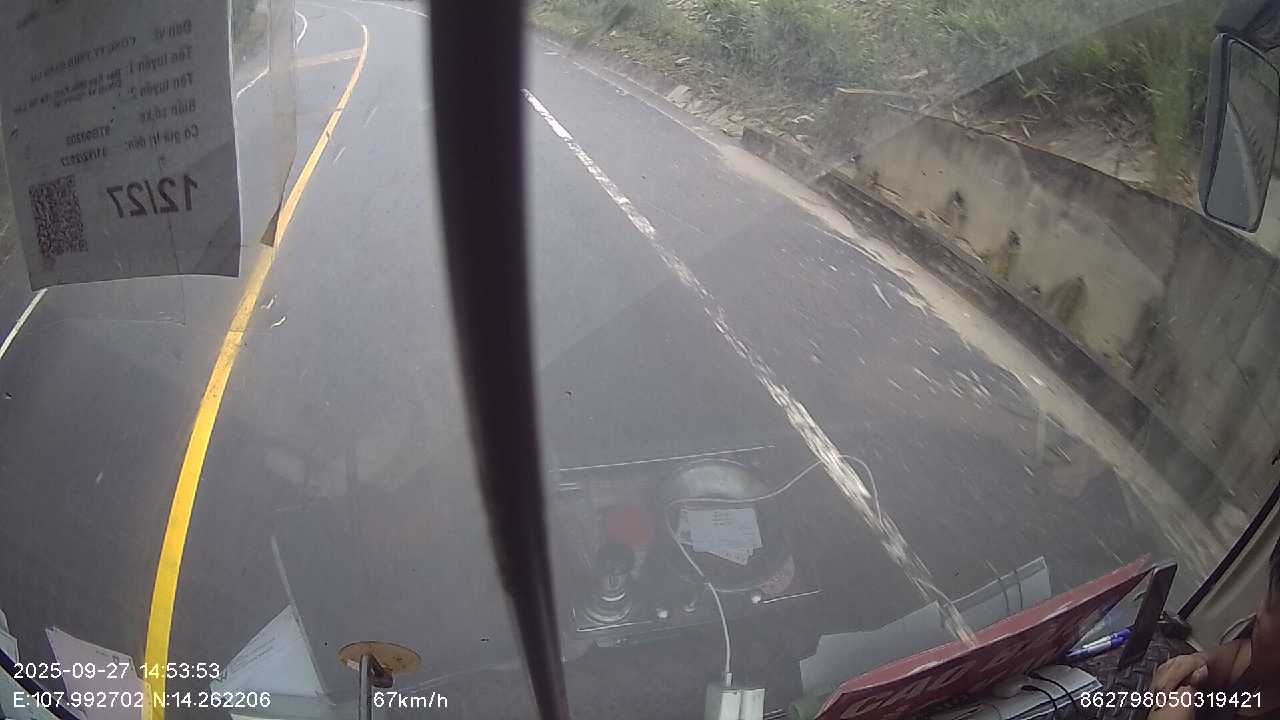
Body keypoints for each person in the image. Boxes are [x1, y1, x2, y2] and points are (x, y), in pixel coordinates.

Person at [1150, 537, 1280, 719]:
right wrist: (1197, 664)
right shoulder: (1263, 669)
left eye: (1270, 605)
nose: (1257, 612)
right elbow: (1236, 657)